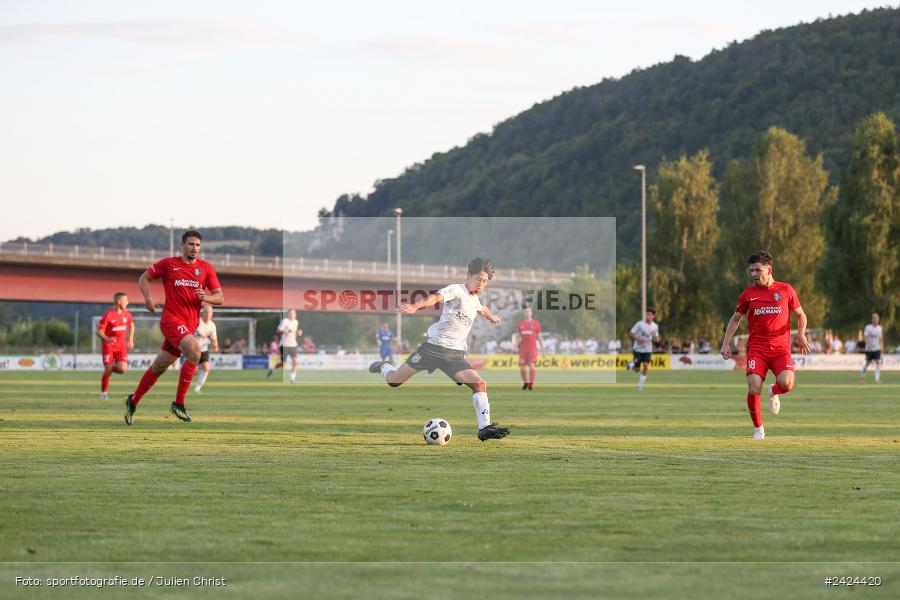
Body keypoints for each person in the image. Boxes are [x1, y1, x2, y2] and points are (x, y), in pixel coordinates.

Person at [368, 257, 509, 441]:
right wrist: (414, 306)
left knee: (479, 383)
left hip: (454, 355)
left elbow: (482, 309)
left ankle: (484, 428)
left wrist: (492, 317)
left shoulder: (474, 300)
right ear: (468, 275)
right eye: (478, 279)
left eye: (485, 281)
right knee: (394, 381)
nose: (481, 284)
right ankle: (385, 366)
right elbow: (436, 298)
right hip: (432, 349)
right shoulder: (456, 290)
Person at [124, 230, 223, 425]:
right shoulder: (169, 264)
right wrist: (148, 299)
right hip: (171, 320)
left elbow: (219, 297)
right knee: (195, 352)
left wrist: (206, 297)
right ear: (182, 246)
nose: (194, 248)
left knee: (159, 367)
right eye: (191, 244)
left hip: (188, 326)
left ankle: (133, 400)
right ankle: (178, 404)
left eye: (197, 245)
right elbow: (144, 278)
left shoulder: (206, 268)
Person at [720, 250, 810, 440]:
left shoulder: (786, 290)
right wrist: (726, 343)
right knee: (753, 387)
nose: (753, 275)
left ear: (769, 269)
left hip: (781, 349)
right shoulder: (748, 293)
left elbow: (801, 315)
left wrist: (801, 334)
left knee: (787, 384)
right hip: (757, 348)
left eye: (757, 270)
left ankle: (773, 391)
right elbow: (735, 319)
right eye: (751, 271)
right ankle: (759, 429)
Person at [96, 292, 134, 400]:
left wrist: (130, 339)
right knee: (108, 369)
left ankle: (108, 369)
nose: (128, 302)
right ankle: (103, 393)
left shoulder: (127, 314)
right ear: (119, 302)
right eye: (126, 300)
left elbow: (131, 325)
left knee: (122, 369)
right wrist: (108, 339)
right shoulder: (108, 315)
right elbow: (99, 332)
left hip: (121, 346)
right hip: (108, 346)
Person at [628, 308, 661, 391]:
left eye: (649, 315)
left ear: (653, 316)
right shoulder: (640, 324)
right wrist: (638, 339)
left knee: (646, 366)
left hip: (648, 350)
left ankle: (640, 385)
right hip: (638, 349)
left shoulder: (655, 326)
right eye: (647, 314)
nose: (647, 316)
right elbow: (631, 333)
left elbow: (656, 336)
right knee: (637, 370)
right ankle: (631, 364)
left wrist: (657, 339)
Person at [513, 307, 543, 390]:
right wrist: (515, 346)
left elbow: (539, 336)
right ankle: (526, 382)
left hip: (532, 348)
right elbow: (518, 336)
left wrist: (543, 349)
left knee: (531, 365)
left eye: (529, 311)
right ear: (524, 313)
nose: (527, 313)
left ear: (531, 313)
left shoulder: (536, 324)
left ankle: (531, 384)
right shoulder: (520, 324)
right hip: (522, 348)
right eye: (526, 311)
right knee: (522, 367)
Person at [268, 308, 301, 382]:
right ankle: (273, 369)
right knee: (283, 364)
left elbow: (295, 331)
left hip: (293, 344)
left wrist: (298, 333)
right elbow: (278, 331)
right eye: (291, 313)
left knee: (295, 362)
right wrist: (285, 331)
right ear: (288, 314)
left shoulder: (296, 322)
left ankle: (292, 378)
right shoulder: (284, 321)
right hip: (284, 345)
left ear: (295, 314)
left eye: (293, 313)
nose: (292, 315)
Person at [193, 304, 219, 393]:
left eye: (209, 312)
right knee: (193, 371)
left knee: (206, 368)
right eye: (206, 312)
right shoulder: (197, 322)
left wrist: (215, 345)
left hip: (204, 349)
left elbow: (214, 338)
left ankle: (197, 388)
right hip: (193, 349)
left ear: (212, 314)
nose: (207, 314)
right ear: (202, 313)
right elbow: (201, 334)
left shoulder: (212, 325)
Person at [860, 313, 884, 384]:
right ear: (872, 319)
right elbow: (866, 337)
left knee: (877, 363)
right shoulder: (868, 327)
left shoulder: (880, 328)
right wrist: (868, 344)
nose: (876, 320)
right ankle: (862, 376)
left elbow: (880, 338)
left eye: (877, 319)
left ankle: (877, 379)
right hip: (869, 349)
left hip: (877, 349)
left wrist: (881, 347)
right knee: (867, 363)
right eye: (875, 319)